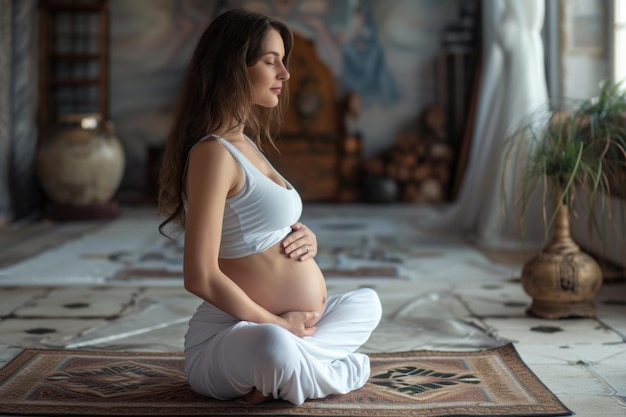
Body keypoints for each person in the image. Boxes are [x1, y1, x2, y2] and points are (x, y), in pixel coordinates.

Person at [157, 8, 382, 406]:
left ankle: (295, 373)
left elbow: (258, 227)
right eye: (269, 61)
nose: (285, 74)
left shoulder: (246, 144)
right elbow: (200, 276)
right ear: (232, 68)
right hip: (232, 334)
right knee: (274, 346)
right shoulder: (213, 153)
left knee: (368, 302)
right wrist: (280, 323)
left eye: (283, 61)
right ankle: (319, 368)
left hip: (291, 328)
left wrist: (303, 236)